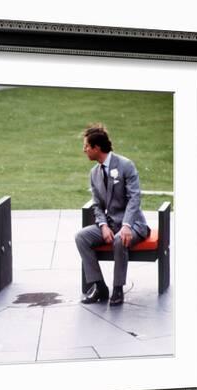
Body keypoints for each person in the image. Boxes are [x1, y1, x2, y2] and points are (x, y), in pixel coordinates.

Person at [75, 124, 150, 306]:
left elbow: (135, 198)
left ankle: (118, 288)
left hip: (134, 225)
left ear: (96, 148)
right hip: (110, 224)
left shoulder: (125, 165)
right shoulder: (94, 173)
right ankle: (99, 286)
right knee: (81, 237)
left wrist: (126, 225)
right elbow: (97, 205)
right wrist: (103, 225)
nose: (84, 150)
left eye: (86, 146)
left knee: (119, 240)